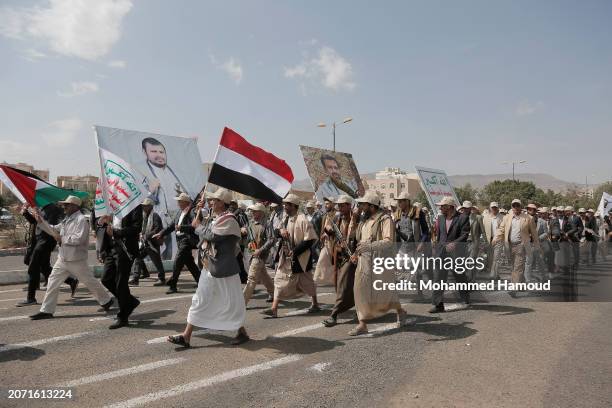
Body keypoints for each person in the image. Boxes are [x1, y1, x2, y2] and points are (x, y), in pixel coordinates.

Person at [167, 188, 249, 348]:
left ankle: (241, 331)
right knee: (199, 299)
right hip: (209, 265)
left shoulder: (230, 220)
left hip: (224, 269)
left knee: (230, 302)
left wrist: (198, 226)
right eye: (211, 200)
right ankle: (186, 336)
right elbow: (203, 234)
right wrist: (199, 218)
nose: (211, 202)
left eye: (215, 200)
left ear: (223, 203)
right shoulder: (215, 218)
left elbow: (212, 236)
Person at [30, 196, 113, 320]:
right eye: (64, 205)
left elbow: (78, 239)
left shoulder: (81, 220)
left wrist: (62, 238)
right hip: (63, 258)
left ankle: (106, 300)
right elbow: (53, 229)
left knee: (90, 282)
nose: (64, 207)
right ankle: (46, 310)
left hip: (76, 259)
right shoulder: (67, 219)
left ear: (75, 206)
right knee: (52, 283)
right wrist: (40, 221)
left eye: (67, 205)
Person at [347, 191, 407, 335]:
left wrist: (370, 246)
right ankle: (362, 323)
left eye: (363, 204)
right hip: (364, 261)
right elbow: (360, 241)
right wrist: (355, 254)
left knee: (385, 292)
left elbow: (388, 241)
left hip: (381, 261)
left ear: (371, 206)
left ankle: (400, 310)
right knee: (360, 289)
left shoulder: (385, 219)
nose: (360, 207)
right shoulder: (363, 220)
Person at [262, 194, 320, 318]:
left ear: (294, 206)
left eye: (287, 204)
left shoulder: (302, 219)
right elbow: (277, 232)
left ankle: (315, 303)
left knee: (307, 281)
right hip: (286, 257)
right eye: (284, 204)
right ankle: (274, 308)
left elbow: (309, 240)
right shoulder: (286, 219)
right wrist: (281, 232)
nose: (285, 207)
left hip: (301, 258)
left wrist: (295, 251)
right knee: (279, 279)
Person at [17, 203, 78, 306]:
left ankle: (31, 298)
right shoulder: (42, 207)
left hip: (45, 242)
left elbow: (51, 227)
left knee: (33, 268)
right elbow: (35, 222)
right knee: (45, 268)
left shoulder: (52, 208)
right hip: (39, 241)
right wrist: (26, 213)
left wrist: (38, 215)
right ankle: (71, 281)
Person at [141, 137, 188, 260]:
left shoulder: (173, 172)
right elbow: (143, 201)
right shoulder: (143, 174)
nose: (159, 155)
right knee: (153, 248)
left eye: (161, 152)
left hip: (174, 218)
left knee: (173, 250)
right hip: (157, 218)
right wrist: (151, 191)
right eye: (153, 152)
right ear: (145, 152)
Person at [322, 195, 359, 327]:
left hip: (353, 257)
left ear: (349, 206)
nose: (340, 208)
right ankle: (360, 310)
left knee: (343, 286)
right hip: (339, 256)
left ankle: (334, 315)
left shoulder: (357, 219)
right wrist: (328, 231)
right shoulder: (337, 218)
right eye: (339, 205)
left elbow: (360, 238)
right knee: (343, 286)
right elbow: (331, 232)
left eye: (343, 205)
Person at [430, 196, 471, 313]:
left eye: (442, 206)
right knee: (438, 278)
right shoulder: (440, 218)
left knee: (459, 276)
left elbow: (465, 234)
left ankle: (465, 299)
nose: (440, 208)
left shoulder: (463, 218)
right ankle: (438, 304)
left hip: (456, 253)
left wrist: (455, 243)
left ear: (449, 207)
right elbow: (439, 234)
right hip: (441, 253)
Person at [153, 193, 200, 294]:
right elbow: (171, 226)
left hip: (187, 240)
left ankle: (172, 284)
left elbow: (194, 226)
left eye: (180, 201)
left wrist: (182, 227)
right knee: (190, 263)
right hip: (180, 240)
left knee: (177, 262)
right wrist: (161, 233)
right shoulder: (179, 212)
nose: (178, 203)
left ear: (185, 202)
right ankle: (201, 282)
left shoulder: (192, 211)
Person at [493, 199, 540, 296]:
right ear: (512, 207)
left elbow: (534, 234)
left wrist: (537, 245)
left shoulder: (528, 218)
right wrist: (496, 238)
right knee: (513, 266)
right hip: (509, 245)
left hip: (521, 245)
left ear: (520, 206)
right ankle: (522, 284)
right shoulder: (507, 218)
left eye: (517, 205)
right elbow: (501, 229)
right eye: (514, 206)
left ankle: (514, 288)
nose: (515, 207)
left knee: (517, 266)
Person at [394, 192, 431, 297]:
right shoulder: (397, 214)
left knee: (418, 269)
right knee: (397, 268)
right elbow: (397, 232)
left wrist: (421, 243)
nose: (399, 203)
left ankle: (420, 292)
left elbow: (425, 231)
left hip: (415, 245)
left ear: (407, 201)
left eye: (401, 201)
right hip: (402, 246)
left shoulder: (418, 213)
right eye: (398, 201)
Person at [243, 202, 275, 305]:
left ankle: (242, 302)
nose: (252, 212)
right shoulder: (250, 223)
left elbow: (271, 239)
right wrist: (243, 231)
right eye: (252, 211)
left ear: (261, 212)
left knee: (251, 278)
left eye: (254, 211)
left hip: (260, 255)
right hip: (251, 253)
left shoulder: (267, 223)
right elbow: (247, 238)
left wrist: (260, 250)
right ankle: (274, 294)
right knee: (264, 276)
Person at [129, 198, 166, 286]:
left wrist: (147, 235)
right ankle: (135, 278)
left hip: (152, 242)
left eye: (145, 206)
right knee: (137, 257)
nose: (144, 207)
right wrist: (141, 234)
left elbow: (157, 229)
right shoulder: (144, 216)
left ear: (150, 206)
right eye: (143, 206)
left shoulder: (155, 216)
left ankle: (162, 279)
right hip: (145, 242)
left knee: (157, 261)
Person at [482, 202, 504, 279]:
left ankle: (493, 275)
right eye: (493, 207)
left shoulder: (502, 217)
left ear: (498, 208)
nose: (494, 209)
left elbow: (503, 229)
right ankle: (496, 274)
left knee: (496, 258)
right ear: (490, 208)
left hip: (498, 240)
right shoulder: (486, 217)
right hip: (489, 240)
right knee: (490, 258)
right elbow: (483, 229)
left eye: (495, 207)